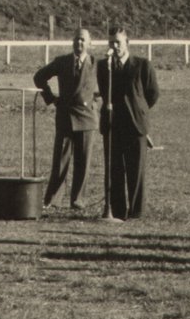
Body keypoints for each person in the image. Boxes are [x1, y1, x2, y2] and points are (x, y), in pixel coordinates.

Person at [96, 26, 159, 221]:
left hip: (135, 126)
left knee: (136, 170)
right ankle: (117, 210)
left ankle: (136, 211)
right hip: (113, 125)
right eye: (111, 42)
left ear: (127, 44)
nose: (114, 46)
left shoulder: (142, 65)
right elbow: (105, 92)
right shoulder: (103, 66)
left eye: (118, 42)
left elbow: (152, 94)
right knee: (114, 170)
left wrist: (138, 110)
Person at [33, 28, 99, 211]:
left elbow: (109, 84)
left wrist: (97, 97)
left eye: (83, 40)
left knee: (83, 162)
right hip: (66, 117)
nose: (80, 43)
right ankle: (53, 199)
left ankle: (78, 201)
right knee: (60, 161)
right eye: (77, 40)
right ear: (72, 42)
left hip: (87, 119)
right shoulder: (62, 62)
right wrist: (51, 98)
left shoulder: (96, 63)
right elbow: (39, 77)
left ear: (90, 43)